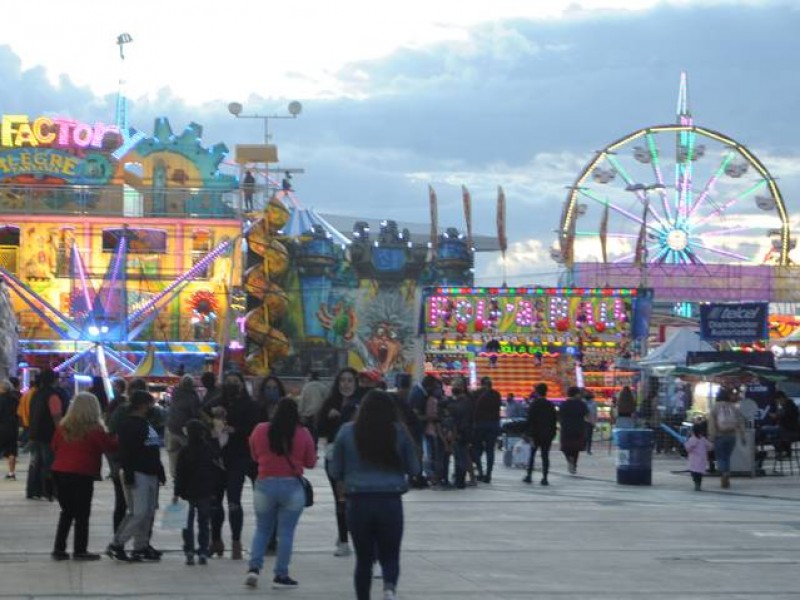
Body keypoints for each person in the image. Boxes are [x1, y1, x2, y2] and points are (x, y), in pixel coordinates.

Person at [328, 390, 421, 600]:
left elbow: (335, 471)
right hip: (390, 501)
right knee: (390, 554)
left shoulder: (346, 431)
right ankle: (389, 588)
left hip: (358, 501)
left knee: (363, 559)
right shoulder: (399, 432)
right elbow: (415, 469)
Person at [245, 397, 316, 589]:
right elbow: (310, 462)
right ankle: (281, 575)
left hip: (264, 485)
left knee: (262, 529)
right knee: (286, 533)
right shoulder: (303, 433)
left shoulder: (260, 429)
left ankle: (254, 568)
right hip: (292, 487)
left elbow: (253, 456)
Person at [50, 392, 117, 561]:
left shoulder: (63, 427)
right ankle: (80, 550)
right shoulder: (95, 430)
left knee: (66, 512)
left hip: (60, 472)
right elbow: (110, 447)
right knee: (82, 514)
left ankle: (59, 549)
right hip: (82, 473)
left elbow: (54, 446)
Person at [106, 390, 166, 562]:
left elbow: (153, 450)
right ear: (141, 405)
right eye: (149, 403)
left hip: (150, 472)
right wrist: (129, 473)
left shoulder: (145, 423)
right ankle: (117, 544)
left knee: (147, 512)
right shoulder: (130, 425)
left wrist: (159, 471)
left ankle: (141, 545)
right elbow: (126, 452)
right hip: (138, 473)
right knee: (138, 512)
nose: (151, 407)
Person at [205, 371, 259, 560]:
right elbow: (202, 420)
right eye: (228, 382)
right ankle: (216, 539)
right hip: (216, 458)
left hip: (238, 458)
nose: (232, 385)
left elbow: (255, 429)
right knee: (214, 501)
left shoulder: (251, 406)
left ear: (243, 384)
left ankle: (236, 542)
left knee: (234, 501)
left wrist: (236, 430)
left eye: (236, 382)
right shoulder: (214, 403)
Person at [316, 367, 362, 557]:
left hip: (357, 458)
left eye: (350, 380)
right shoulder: (330, 403)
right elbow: (319, 429)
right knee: (341, 499)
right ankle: (343, 540)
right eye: (342, 380)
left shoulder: (362, 403)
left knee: (356, 500)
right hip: (336, 457)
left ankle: (351, 532)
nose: (346, 384)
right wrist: (330, 418)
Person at [174, 419, 223, 566]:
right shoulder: (209, 450)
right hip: (205, 491)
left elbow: (180, 473)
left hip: (187, 492)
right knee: (203, 523)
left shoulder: (184, 451)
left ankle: (189, 551)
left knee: (187, 524)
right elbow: (215, 471)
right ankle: (202, 551)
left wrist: (177, 492)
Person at [27, 368, 65, 500]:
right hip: (48, 435)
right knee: (48, 463)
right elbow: (56, 416)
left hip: (34, 433)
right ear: (54, 380)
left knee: (35, 463)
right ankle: (47, 490)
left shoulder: (35, 394)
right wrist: (61, 433)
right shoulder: (53, 395)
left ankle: (32, 490)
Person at [707, 387, 746, 489]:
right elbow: (740, 421)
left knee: (720, 457)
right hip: (732, 436)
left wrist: (711, 437)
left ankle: (724, 473)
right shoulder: (733, 407)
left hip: (720, 436)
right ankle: (727, 473)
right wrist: (742, 435)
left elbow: (711, 424)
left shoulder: (715, 407)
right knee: (727, 457)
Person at [166, 375, 202, 480]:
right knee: (189, 452)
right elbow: (195, 412)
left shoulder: (175, 392)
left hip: (171, 427)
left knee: (173, 453)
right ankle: (188, 474)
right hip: (185, 429)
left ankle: (175, 475)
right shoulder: (192, 396)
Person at [523, 383, 557, 486]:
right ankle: (545, 478)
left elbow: (529, 420)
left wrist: (527, 433)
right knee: (545, 456)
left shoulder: (534, 404)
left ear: (537, 392)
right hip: (547, 434)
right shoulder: (550, 405)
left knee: (532, 454)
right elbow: (554, 420)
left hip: (535, 434)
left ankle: (529, 476)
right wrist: (553, 432)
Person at [472, 376, 502, 483]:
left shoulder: (476, 394)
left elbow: (472, 409)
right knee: (490, 450)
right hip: (493, 424)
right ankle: (488, 474)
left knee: (476, 448)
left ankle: (480, 471)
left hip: (479, 424)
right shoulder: (496, 394)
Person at [559, 386, 589, 474]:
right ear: (576, 394)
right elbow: (587, 415)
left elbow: (560, 416)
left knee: (565, 447)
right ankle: (574, 465)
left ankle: (569, 459)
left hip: (566, 429)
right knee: (576, 448)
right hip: (579, 428)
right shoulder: (581, 404)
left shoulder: (564, 404)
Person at [298, 371, 329, 438]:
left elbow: (302, 402)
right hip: (320, 415)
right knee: (317, 435)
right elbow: (327, 401)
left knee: (309, 435)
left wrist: (300, 413)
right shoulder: (323, 387)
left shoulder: (306, 387)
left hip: (308, 415)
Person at [0, 379, 20, 480]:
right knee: (12, 451)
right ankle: (11, 473)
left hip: (2, 428)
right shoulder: (15, 399)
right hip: (13, 428)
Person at [684, 422, 713, 491]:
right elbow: (710, 446)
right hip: (702, 460)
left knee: (694, 473)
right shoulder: (703, 439)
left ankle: (696, 484)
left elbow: (688, 448)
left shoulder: (692, 439)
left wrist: (685, 444)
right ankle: (699, 484)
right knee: (699, 474)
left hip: (694, 460)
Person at [583, 391, 598, 455]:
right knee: (589, 436)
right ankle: (588, 449)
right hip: (590, 421)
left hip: (584, 421)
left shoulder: (583, 403)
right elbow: (594, 413)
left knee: (585, 435)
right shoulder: (593, 404)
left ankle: (584, 447)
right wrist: (594, 422)